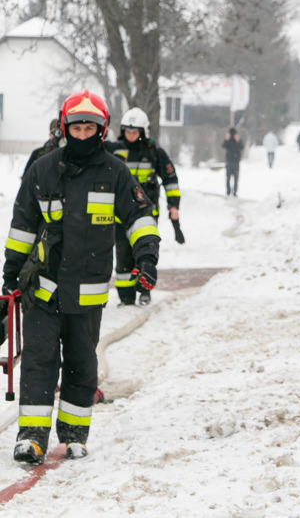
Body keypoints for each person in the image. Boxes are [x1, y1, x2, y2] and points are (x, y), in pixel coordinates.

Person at [2, 89, 160, 464]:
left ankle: (74, 436)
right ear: (66, 127)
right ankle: (32, 438)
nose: (83, 134)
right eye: (78, 127)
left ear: (102, 130)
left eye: (91, 128)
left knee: (81, 364)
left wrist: (147, 257)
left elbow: (140, 218)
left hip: (86, 292)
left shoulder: (115, 173)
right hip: (41, 287)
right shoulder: (43, 169)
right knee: (39, 362)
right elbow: (22, 225)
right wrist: (10, 272)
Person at [104, 107, 182, 307]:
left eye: (135, 131)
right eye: (128, 131)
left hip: (147, 214)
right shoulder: (113, 150)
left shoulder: (154, 153)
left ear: (143, 132)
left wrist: (174, 206)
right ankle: (126, 297)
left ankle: (145, 291)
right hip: (120, 215)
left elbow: (170, 180)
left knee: (145, 253)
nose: (131, 135)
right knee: (123, 255)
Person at [222, 128, 243, 196]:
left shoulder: (238, 140)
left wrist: (238, 140)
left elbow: (241, 147)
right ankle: (228, 191)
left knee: (236, 178)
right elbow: (224, 145)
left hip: (236, 161)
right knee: (228, 177)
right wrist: (227, 139)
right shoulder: (228, 141)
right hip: (229, 161)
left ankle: (235, 191)